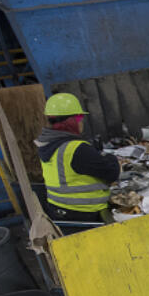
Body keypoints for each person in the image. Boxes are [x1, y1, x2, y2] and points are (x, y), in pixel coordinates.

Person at [36, 92, 119, 222]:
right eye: (79, 117)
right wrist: (110, 157)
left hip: (60, 211)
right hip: (85, 213)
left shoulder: (47, 144)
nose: (82, 122)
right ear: (70, 121)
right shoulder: (76, 148)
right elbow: (112, 173)